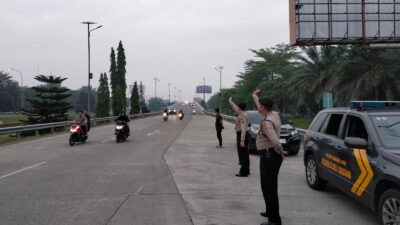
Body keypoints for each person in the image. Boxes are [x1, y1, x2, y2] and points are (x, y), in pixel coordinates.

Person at [252, 88, 287, 225]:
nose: (258, 108)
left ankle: (274, 220)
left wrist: (281, 152)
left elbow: (274, 141)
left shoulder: (267, 123)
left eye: (259, 106)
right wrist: (255, 96)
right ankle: (269, 210)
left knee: (269, 187)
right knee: (269, 185)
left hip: (269, 154)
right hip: (270, 154)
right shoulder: (274, 115)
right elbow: (261, 105)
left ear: (264, 108)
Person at [229, 97, 250, 177]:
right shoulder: (244, 113)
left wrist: (242, 140)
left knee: (242, 154)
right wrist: (231, 101)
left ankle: (243, 172)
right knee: (245, 154)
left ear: (239, 108)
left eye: (237, 107)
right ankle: (246, 170)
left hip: (242, 134)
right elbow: (235, 108)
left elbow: (243, 128)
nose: (236, 108)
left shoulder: (242, 116)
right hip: (244, 134)